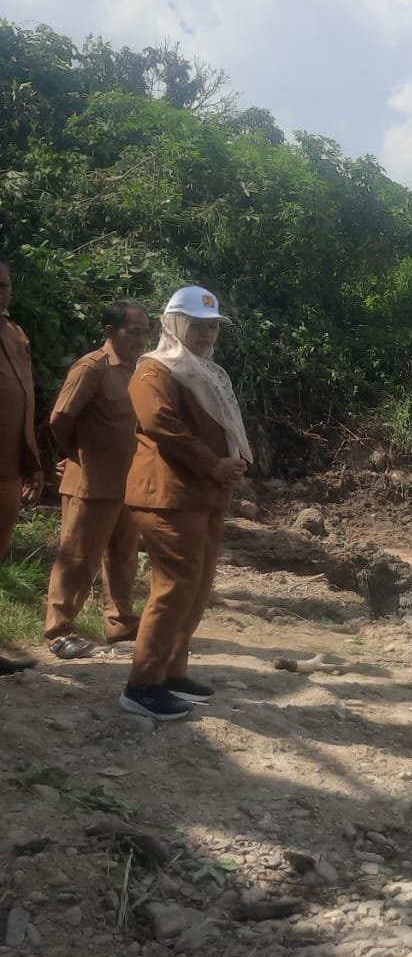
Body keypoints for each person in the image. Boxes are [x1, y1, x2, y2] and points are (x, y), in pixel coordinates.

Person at [120, 286, 251, 721]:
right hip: (169, 497)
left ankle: (172, 671)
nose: (205, 333)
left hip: (204, 496)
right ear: (174, 324)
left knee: (196, 588)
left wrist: (227, 467)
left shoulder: (203, 371)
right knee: (174, 587)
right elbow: (160, 424)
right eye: (196, 324)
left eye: (212, 326)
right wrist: (212, 464)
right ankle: (142, 684)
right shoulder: (155, 370)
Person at [43, 300, 151, 658]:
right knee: (77, 558)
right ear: (110, 331)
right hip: (90, 481)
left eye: (144, 332)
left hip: (129, 483)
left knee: (123, 556)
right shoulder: (92, 367)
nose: (141, 338)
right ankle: (59, 632)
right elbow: (61, 417)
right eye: (133, 331)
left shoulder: (142, 370)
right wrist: (77, 454)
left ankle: (120, 624)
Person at [0, 258, 42, 676]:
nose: (2, 292)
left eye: (5, 284)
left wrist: (32, 463)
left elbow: (25, 402)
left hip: (9, 469)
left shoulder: (15, 334)